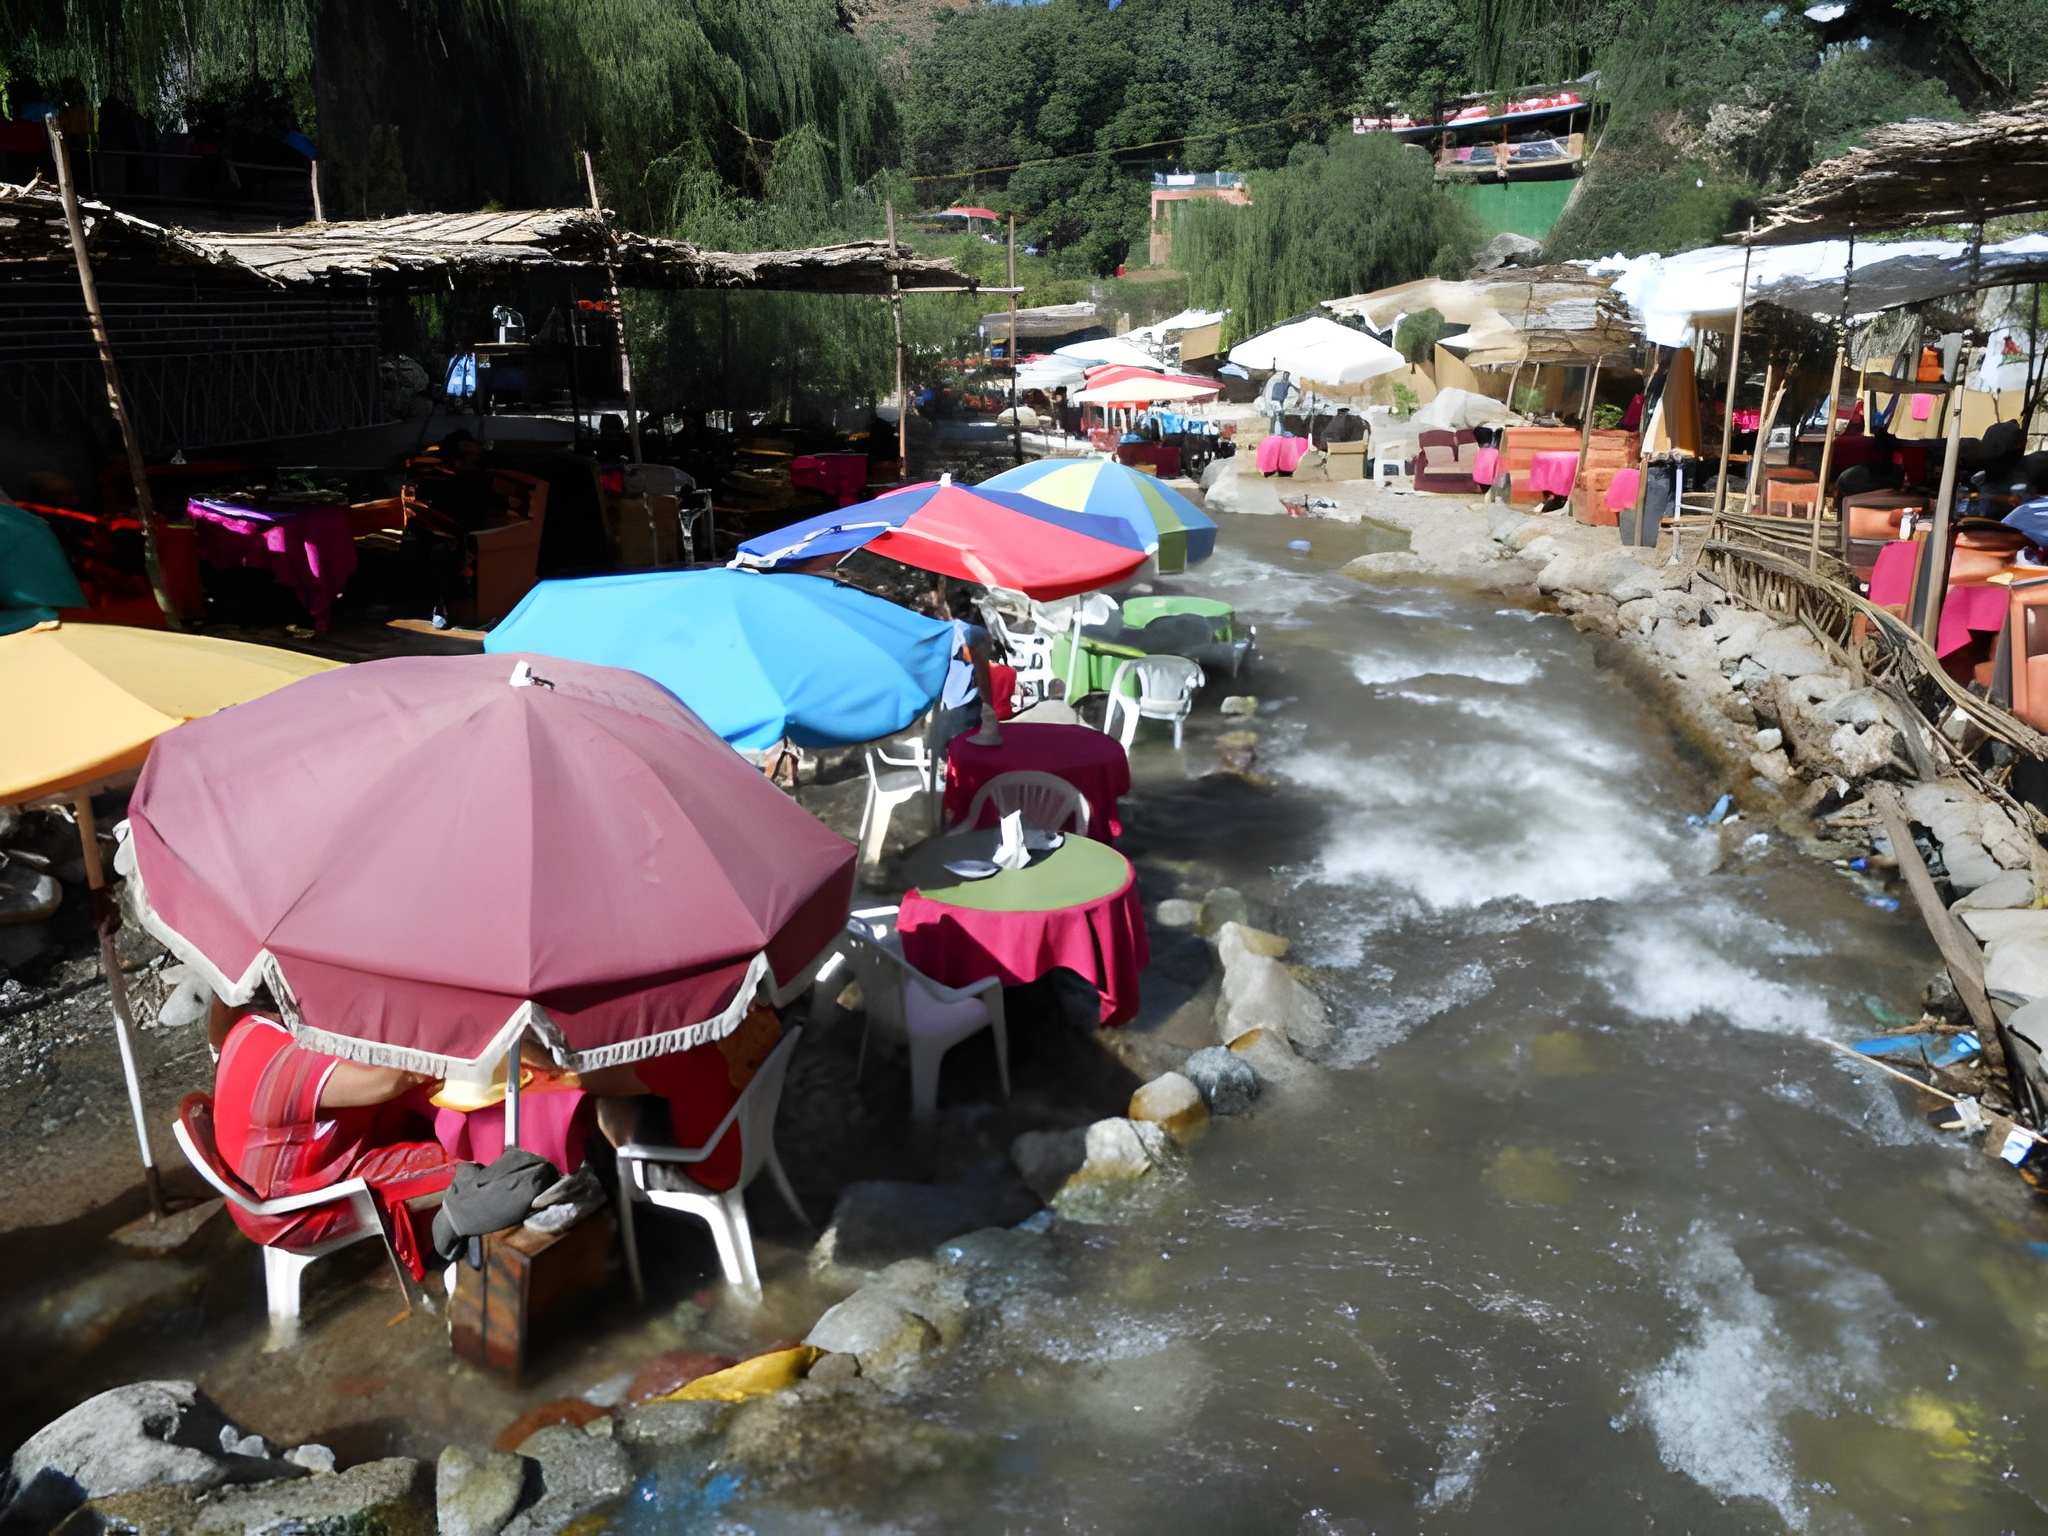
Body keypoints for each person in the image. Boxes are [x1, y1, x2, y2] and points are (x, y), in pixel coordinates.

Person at [210, 1008, 455, 1279]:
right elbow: (397, 1078)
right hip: (294, 1212)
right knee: (475, 1166)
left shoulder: (250, 1025)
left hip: (265, 1180)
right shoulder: (288, 1063)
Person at [585, 1001, 785, 1191]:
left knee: (608, 1104)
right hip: (755, 1132)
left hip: (710, 1170)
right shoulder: (748, 1010)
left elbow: (593, 1082)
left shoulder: (677, 1053)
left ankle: (622, 1190)